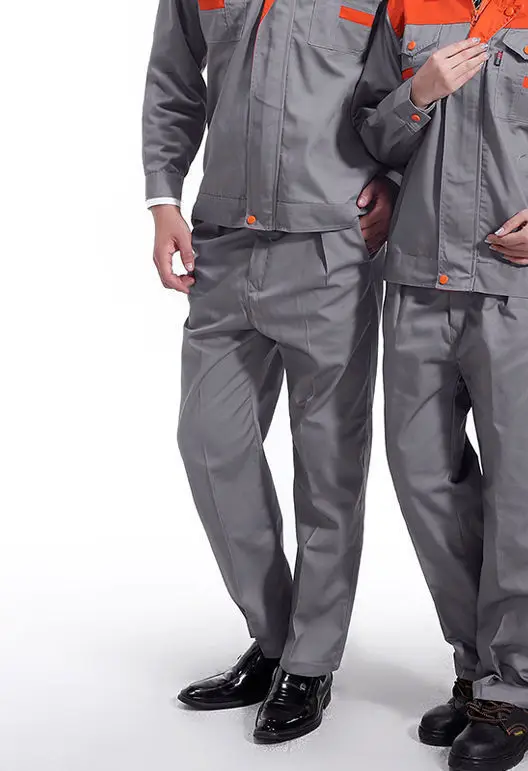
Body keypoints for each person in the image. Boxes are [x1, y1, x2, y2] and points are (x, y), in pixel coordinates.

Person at [353, 0, 528, 768]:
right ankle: (478, 667)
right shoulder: (407, 4)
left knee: (521, 494)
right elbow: (369, 133)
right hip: (417, 281)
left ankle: (513, 695)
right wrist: (417, 94)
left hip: (520, 292)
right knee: (423, 479)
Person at [142, 0, 392, 744]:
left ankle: (309, 663)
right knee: (209, 442)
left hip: (332, 245)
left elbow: (406, 85)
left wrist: (395, 178)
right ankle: (279, 638)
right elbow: (174, 79)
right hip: (222, 243)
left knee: (328, 468)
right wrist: (163, 197)